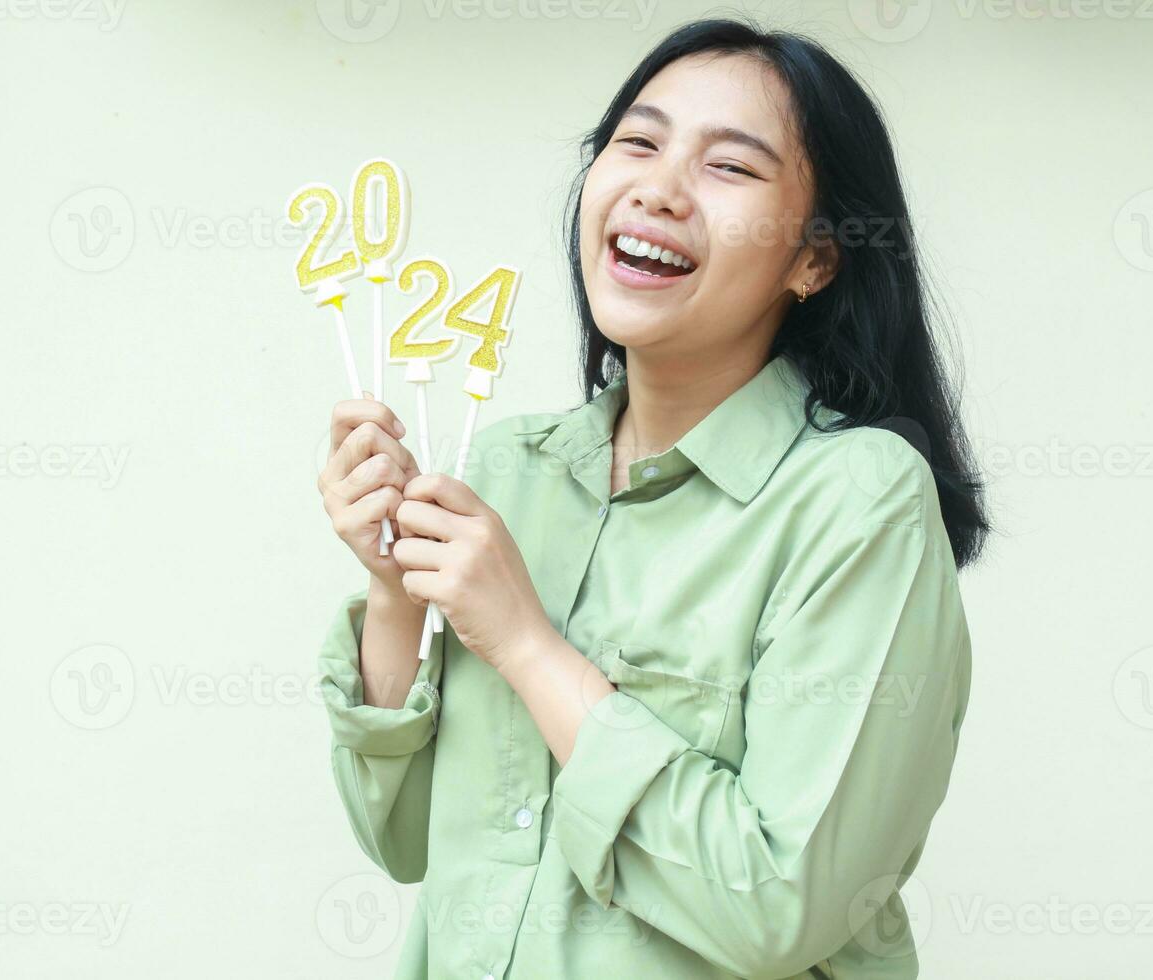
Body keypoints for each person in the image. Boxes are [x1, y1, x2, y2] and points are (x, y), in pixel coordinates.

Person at [315, 16, 990, 979]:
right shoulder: (502, 470)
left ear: (816, 259)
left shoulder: (860, 501)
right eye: (637, 141)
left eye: (731, 168)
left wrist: (524, 642)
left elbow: (778, 910)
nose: (658, 188)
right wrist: (393, 593)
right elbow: (408, 842)